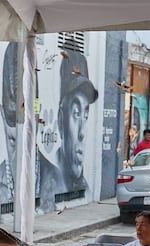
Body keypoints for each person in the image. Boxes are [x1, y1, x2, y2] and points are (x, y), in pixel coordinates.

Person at [0, 43, 59, 223]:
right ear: (3, 117)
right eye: (12, 141)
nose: (20, 155)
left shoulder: (54, 177)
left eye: (26, 138)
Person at [53, 51, 99, 193]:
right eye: (76, 113)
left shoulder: (88, 189)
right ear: (61, 122)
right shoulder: (49, 183)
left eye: (85, 115)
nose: (82, 133)